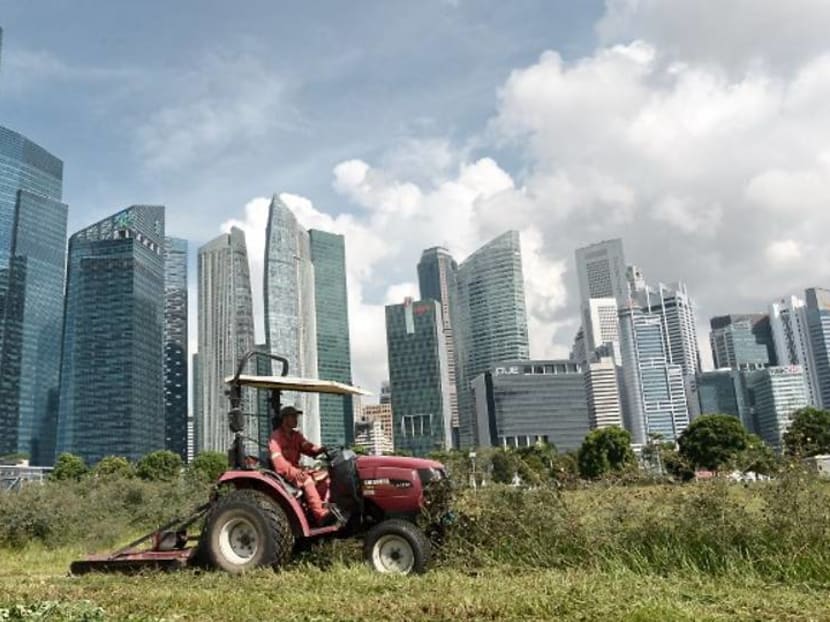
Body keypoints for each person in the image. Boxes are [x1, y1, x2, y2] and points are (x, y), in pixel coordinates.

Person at [268, 405, 336, 526]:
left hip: (297, 470)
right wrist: (294, 472)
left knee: (326, 477)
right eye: (293, 416)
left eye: (296, 416)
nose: (296, 419)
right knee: (307, 480)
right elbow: (279, 462)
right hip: (285, 475)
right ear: (285, 419)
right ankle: (320, 515)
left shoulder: (296, 436)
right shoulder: (276, 437)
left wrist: (321, 449)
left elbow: (307, 447)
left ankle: (326, 507)